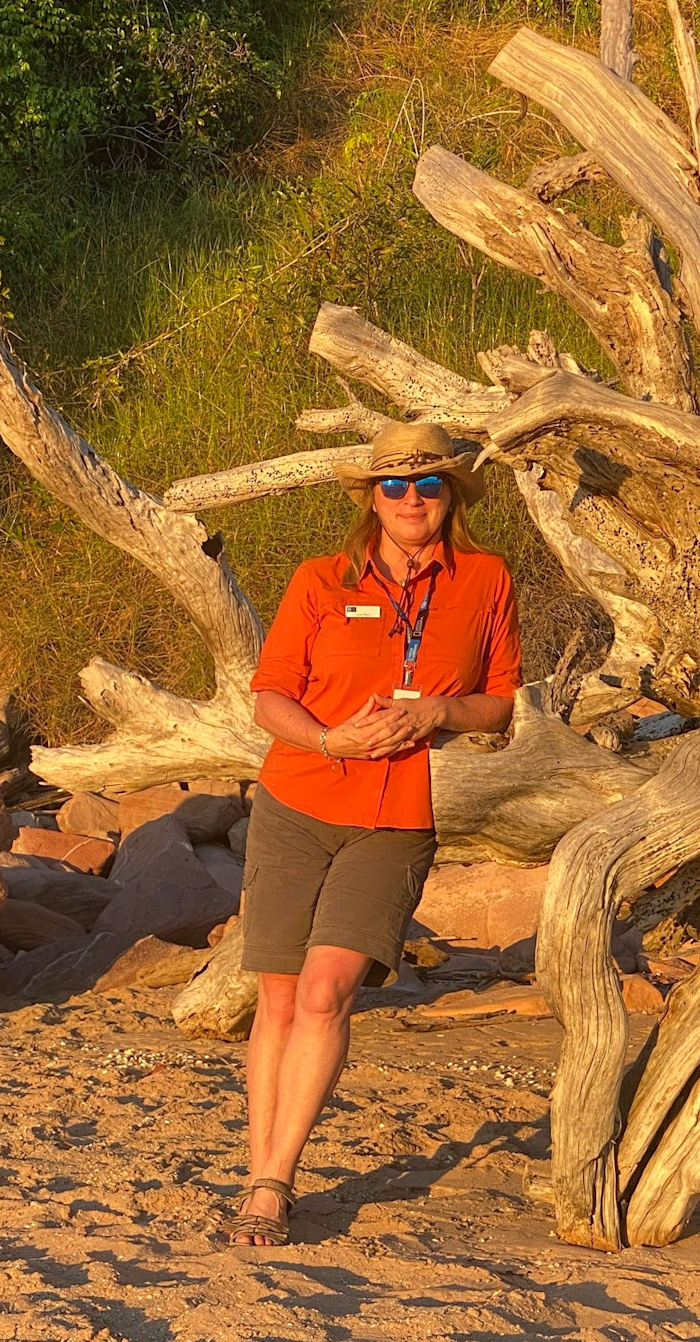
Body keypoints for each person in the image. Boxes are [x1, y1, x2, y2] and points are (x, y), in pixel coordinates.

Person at [222, 421, 522, 1247]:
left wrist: (438, 711)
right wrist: (328, 739)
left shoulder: (487, 579)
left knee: (327, 992)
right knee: (278, 997)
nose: (412, 499)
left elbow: (500, 701)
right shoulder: (321, 579)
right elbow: (270, 695)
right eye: (395, 485)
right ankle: (258, 1174)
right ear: (372, 498)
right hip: (297, 800)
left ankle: (275, 1186)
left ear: (451, 494)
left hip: (397, 818)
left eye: (428, 484)